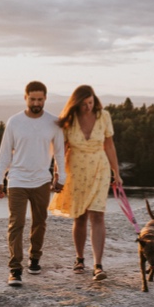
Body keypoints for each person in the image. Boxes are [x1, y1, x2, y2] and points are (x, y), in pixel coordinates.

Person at [0, 81, 67, 287]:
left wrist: (61, 177)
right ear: (25, 98)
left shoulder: (54, 123)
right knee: (16, 223)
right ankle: (15, 269)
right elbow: (5, 152)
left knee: (39, 222)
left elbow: (60, 153)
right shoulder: (14, 122)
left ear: (45, 99)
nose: (36, 103)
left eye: (40, 99)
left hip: (42, 181)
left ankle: (35, 259)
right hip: (17, 180)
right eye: (33, 99)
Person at [49, 85, 123, 281]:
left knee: (98, 215)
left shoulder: (103, 116)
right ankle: (80, 259)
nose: (88, 107)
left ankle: (98, 265)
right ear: (76, 104)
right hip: (76, 170)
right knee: (80, 216)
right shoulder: (70, 120)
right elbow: (61, 150)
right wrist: (57, 174)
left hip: (100, 168)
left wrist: (117, 172)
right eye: (84, 104)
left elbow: (109, 145)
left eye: (90, 103)